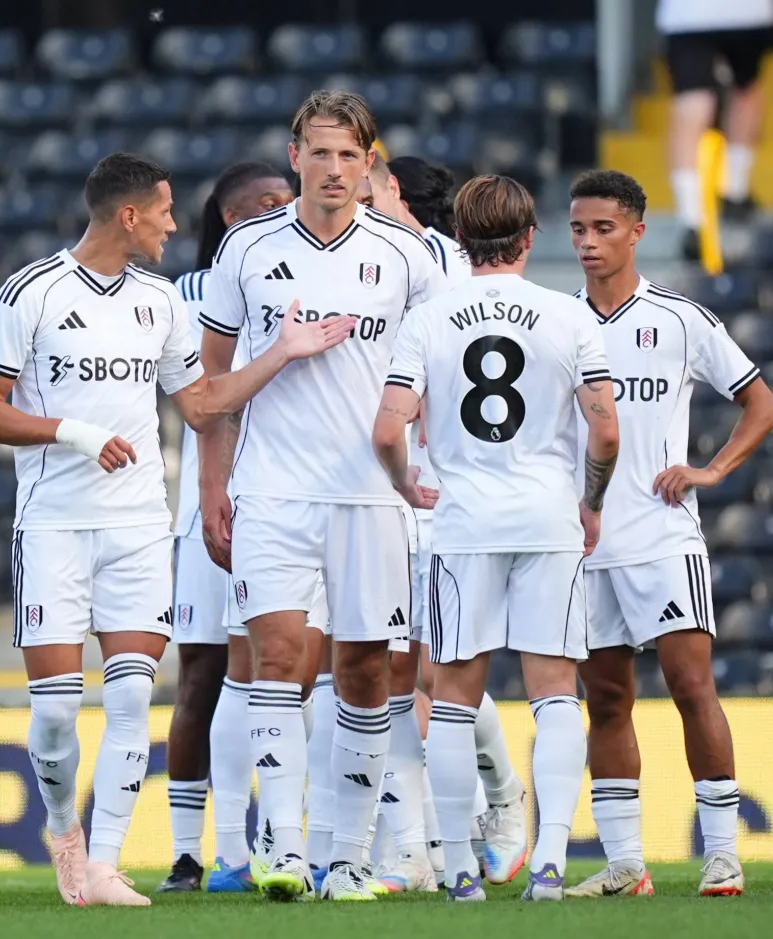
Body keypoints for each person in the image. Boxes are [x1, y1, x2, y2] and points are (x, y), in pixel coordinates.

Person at [0, 152, 350, 906]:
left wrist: (281, 354)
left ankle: (103, 864)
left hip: (137, 526)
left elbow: (202, 404)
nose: (178, 225)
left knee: (135, 699)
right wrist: (74, 432)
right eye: (166, 211)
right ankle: (61, 829)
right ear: (129, 215)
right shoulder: (31, 293)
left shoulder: (162, 301)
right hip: (54, 526)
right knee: (52, 713)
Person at [197, 90, 447, 902]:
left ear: (369, 162)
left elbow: (434, 380)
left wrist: (434, 468)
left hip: (375, 496)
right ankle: (286, 852)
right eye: (320, 152)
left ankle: (348, 859)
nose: (334, 169)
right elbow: (210, 390)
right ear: (294, 152)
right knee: (275, 658)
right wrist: (211, 486)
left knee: (367, 668)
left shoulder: (408, 257)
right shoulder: (246, 251)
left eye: (350, 155)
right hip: (272, 489)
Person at [373, 174, 619, 902]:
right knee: (554, 692)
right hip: (547, 518)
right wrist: (592, 500)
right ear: (529, 237)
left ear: (459, 238)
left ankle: (455, 866)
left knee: (451, 696)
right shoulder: (568, 317)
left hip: (463, 522)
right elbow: (605, 426)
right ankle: (547, 859)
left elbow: (389, 426)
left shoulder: (427, 318)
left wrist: (402, 483)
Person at [559, 170, 773, 899]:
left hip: (661, 536)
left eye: (603, 228)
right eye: (579, 229)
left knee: (691, 685)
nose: (589, 243)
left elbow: (761, 404)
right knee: (608, 701)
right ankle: (626, 863)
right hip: (586, 545)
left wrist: (711, 469)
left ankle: (722, 854)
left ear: (636, 231)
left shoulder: (680, 318)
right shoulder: (558, 325)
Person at [363, 155, 529, 892]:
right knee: (395, 673)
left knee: (433, 668)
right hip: (375, 488)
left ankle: (503, 797)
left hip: (437, 487)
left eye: (369, 179)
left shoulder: (428, 253)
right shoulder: (357, 261)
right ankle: (416, 842)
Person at [158, 160, 295, 894]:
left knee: (281, 674)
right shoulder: (184, 298)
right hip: (202, 517)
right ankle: (191, 850)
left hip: (286, 510)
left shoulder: (309, 287)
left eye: (288, 200)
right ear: (233, 219)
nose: (283, 211)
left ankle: (271, 838)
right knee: (203, 675)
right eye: (268, 203)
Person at [656, 0, 773, 258]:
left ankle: (728, 195)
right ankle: (696, 217)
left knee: (741, 92)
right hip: (694, 16)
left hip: (742, 15)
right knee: (699, 104)